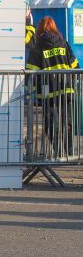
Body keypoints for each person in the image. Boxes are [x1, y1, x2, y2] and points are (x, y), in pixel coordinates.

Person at [26, 16, 79, 157]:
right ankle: (69, 154)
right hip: (66, 90)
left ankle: (58, 153)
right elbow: (76, 67)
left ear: (40, 29)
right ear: (54, 28)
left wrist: (29, 93)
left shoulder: (37, 48)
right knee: (67, 123)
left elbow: (30, 73)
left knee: (51, 125)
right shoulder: (64, 44)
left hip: (48, 94)